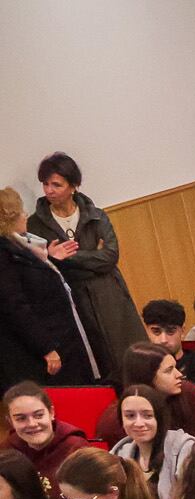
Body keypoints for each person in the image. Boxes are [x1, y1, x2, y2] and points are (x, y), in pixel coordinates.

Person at [27, 153, 140, 366]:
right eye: (45, 184)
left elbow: (109, 257)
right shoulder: (35, 224)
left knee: (127, 353)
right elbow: (40, 268)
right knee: (95, 359)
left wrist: (66, 257)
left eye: (56, 185)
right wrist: (52, 256)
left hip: (109, 292)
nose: (49, 190)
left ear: (73, 186)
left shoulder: (95, 214)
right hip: (72, 296)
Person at [0, 187, 99, 387]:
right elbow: (15, 307)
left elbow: (37, 285)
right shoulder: (5, 254)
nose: (25, 215)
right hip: (42, 352)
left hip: (59, 341)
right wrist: (46, 348)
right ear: (10, 218)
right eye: (20, 210)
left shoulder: (19, 247)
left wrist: (52, 260)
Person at [109, 384, 195, 499]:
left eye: (147, 415)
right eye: (130, 416)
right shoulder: (119, 453)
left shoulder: (185, 448)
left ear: (159, 417)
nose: (138, 423)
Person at [2, 381, 91, 480]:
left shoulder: (76, 449)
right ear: (10, 421)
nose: (32, 424)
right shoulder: (6, 452)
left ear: (51, 413)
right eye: (21, 418)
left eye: (39, 415)